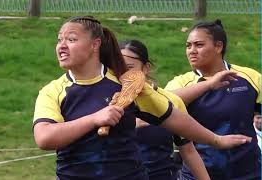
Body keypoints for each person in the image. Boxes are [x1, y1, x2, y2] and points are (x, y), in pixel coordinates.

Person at [32, 16, 251, 179]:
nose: (61, 45)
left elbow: (173, 116)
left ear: (95, 44)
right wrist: (95, 118)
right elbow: (45, 138)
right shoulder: (52, 91)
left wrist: (216, 140)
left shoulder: (129, 84)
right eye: (59, 39)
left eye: (70, 39)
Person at [165, 19, 261, 179]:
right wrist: (208, 84)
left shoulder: (249, 77)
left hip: (248, 172)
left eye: (199, 45)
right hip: (197, 173)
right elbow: (162, 105)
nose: (191, 51)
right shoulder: (181, 82)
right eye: (188, 46)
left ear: (218, 46)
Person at [119, 39, 210, 180]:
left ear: (146, 68)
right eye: (117, 67)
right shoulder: (104, 100)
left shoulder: (170, 101)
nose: (123, 74)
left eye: (129, 67)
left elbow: (189, 152)